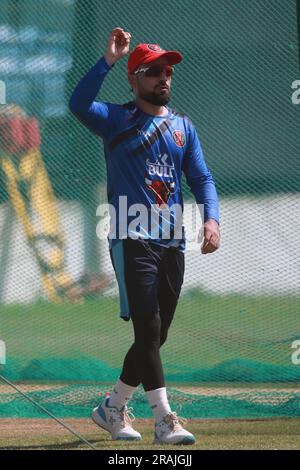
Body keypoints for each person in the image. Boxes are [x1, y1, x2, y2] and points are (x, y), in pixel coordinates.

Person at [69, 27, 220, 445]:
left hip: (173, 240)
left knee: (157, 334)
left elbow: (202, 177)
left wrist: (212, 219)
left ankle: (112, 407)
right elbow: (78, 103)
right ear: (135, 79)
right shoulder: (117, 120)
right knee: (148, 329)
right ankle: (165, 419)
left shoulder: (183, 128)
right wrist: (108, 60)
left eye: (167, 71)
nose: (163, 78)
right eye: (153, 71)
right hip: (130, 236)